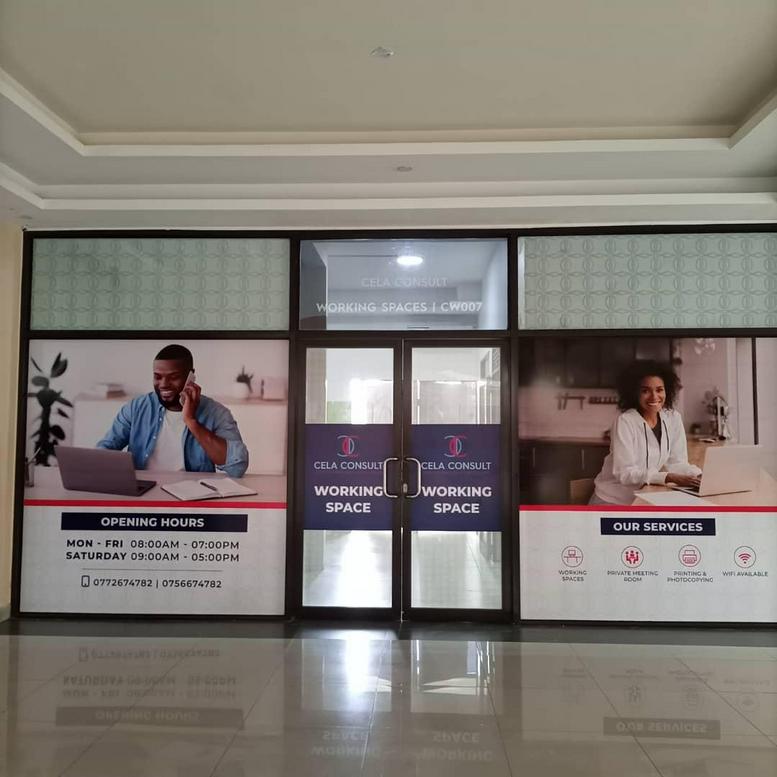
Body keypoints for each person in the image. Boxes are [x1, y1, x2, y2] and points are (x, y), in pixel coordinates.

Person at [97, 344, 249, 478]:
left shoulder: (217, 413)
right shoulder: (136, 408)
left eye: (174, 377)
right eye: (157, 377)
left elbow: (237, 468)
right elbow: (104, 450)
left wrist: (191, 421)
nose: (164, 384)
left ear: (191, 376)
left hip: (193, 493)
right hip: (144, 492)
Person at [591, 360, 701, 505]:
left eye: (659, 390)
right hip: (612, 500)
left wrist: (698, 475)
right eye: (645, 391)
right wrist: (668, 477)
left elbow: (677, 462)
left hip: (644, 497)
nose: (654, 397)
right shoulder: (625, 421)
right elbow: (625, 473)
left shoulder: (673, 418)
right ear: (634, 393)